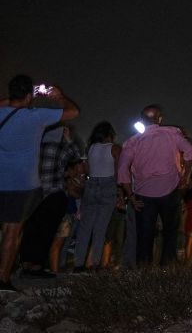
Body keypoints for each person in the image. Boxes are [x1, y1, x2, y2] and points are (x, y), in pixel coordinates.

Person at [0, 77, 79, 292]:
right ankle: (3, 280)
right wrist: (59, 95)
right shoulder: (36, 117)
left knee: (6, 230)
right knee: (12, 232)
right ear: (29, 96)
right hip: (22, 183)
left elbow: (5, 103)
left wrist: (15, 99)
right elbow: (73, 112)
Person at [116, 104, 192, 266]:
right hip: (170, 190)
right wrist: (185, 175)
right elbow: (191, 153)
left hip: (143, 194)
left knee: (144, 236)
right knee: (170, 234)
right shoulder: (173, 135)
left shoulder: (133, 142)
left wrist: (130, 196)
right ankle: (166, 271)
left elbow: (122, 170)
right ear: (160, 119)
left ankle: (144, 273)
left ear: (142, 121)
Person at [20, 122, 83, 279]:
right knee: (46, 231)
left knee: (31, 230)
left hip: (33, 194)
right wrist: (68, 139)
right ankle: (37, 265)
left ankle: (26, 263)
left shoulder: (35, 147)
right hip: (54, 194)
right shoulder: (60, 148)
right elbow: (76, 155)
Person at [72, 121, 120, 271]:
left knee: (85, 228)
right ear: (110, 134)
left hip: (91, 185)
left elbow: (88, 169)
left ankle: (78, 265)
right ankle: (93, 263)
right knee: (100, 228)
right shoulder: (115, 148)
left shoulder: (90, 148)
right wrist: (119, 191)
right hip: (108, 185)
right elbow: (119, 171)